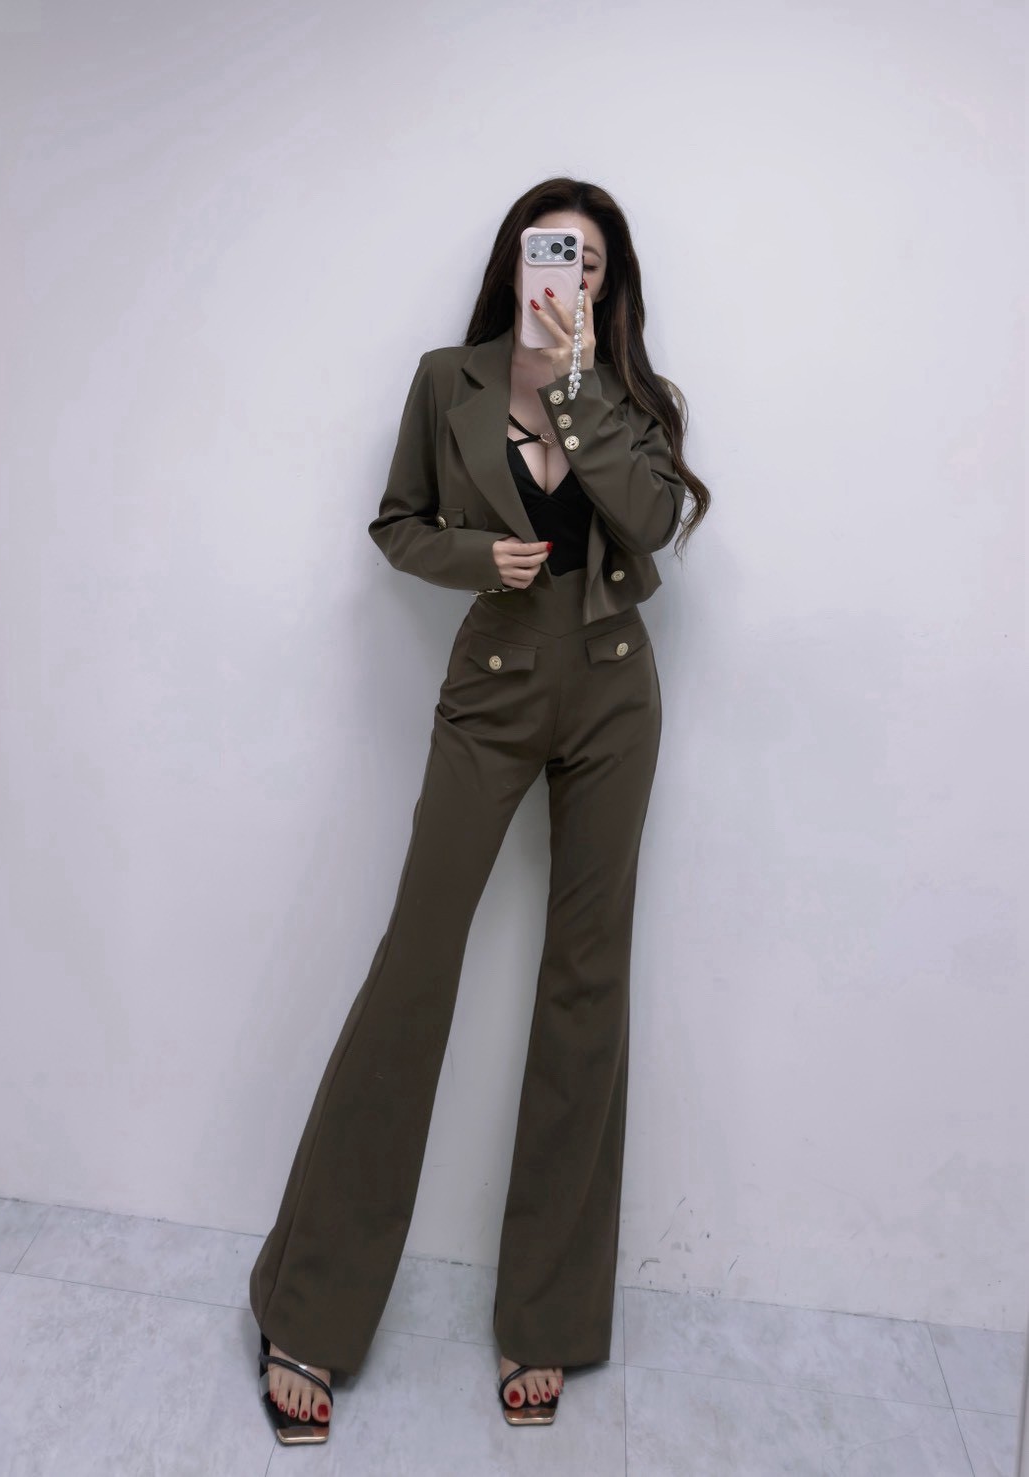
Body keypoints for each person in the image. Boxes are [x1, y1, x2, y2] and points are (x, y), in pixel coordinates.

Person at [250, 177, 711, 1444]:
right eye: (550, 252)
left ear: (609, 284)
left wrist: (575, 384)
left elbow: (650, 519)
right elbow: (397, 523)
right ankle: (310, 1304)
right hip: (492, 683)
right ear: (515, 261)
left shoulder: (633, 398)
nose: (568, 274)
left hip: (612, 691)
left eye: (589, 262)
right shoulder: (443, 382)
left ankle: (546, 1316)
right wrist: (476, 557)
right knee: (415, 966)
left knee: (585, 984)